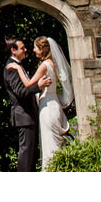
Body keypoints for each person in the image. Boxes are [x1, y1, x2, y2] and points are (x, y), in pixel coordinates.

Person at [29, 35, 73, 169]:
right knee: (53, 143)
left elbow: (28, 84)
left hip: (47, 107)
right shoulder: (53, 64)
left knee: (49, 144)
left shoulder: (45, 65)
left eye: (35, 47)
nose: (33, 50)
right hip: (54, 104)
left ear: (42, 49)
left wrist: (18, 70)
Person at [0, 38, 39, 171]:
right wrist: (38, 86)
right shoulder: (11, 68)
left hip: (29, 115)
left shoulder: (19, 65)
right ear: (13, 50)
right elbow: (21, 92)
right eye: (22, 48)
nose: (26, 50)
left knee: (31, 153)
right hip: (24, 115)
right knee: (26, 152)